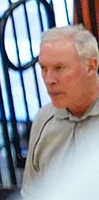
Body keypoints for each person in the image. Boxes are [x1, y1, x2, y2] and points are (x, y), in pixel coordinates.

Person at [20, 23, 99, 191]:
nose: (49, 80)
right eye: (43, 68)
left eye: (59, 68)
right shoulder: (43, 119)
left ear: (91, 66)